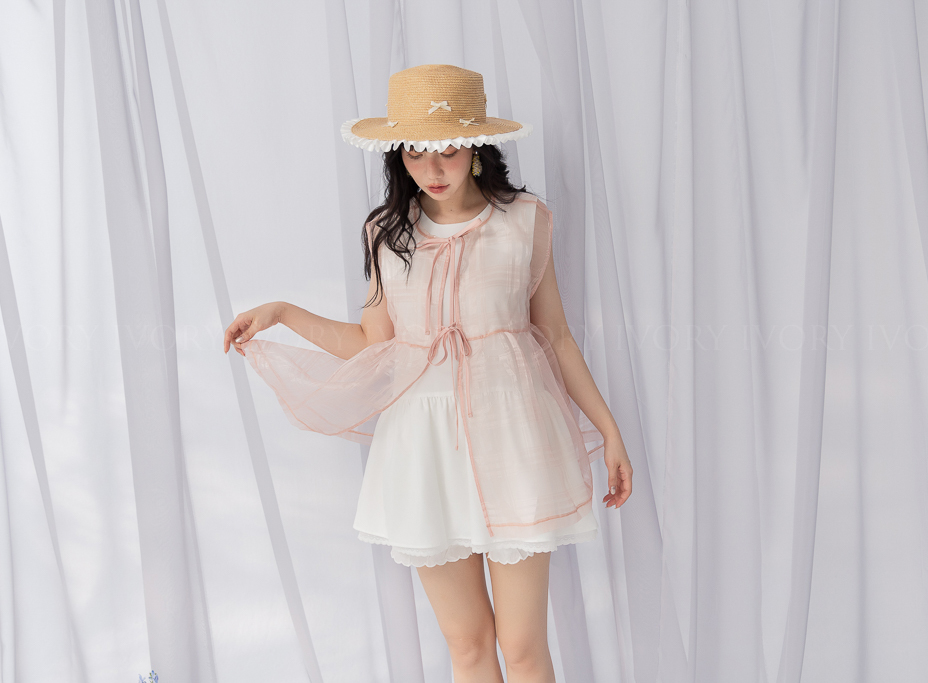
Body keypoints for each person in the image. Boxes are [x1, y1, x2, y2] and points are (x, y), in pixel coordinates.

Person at [223, 64, 632, 682]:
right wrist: (282, 313)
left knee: (522, 647)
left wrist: (610, 430)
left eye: (447, 150)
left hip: (513, 438)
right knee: (467, 644)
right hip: (421, 445)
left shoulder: (525, 219)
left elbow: (556, 336)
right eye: (415, 152)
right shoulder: (386, 234)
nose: (432, 168)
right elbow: (373, 344)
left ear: (476, 148)